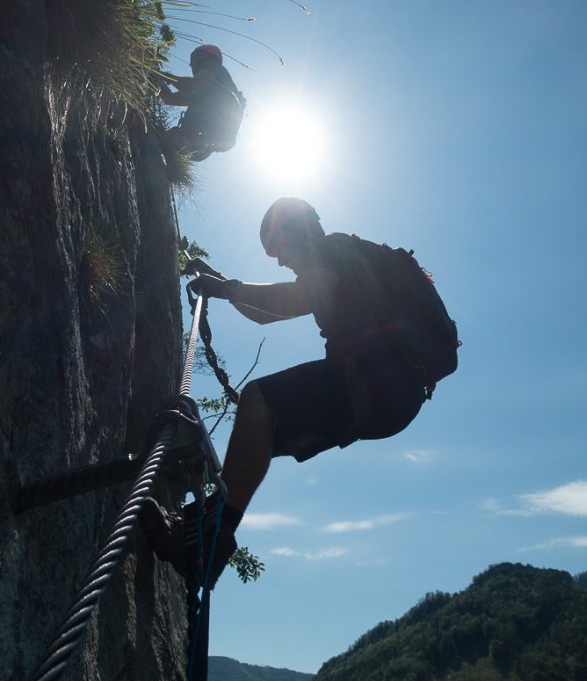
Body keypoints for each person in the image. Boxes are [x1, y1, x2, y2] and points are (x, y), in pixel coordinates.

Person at [142, 197, 451, 586]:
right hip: (389, 395)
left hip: (371, 380)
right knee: (253, 438)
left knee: (258, 401)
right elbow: (265, 313)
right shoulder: (342, 257)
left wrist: (228, 288)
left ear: (297, 229)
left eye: (276, 246)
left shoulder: (332, 248)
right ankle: (202, 527)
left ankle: (209, 541)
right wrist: (223, 286)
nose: (277, 259)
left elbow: (290, 301)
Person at [160, 44, 246, 162]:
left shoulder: (214, 66)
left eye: (194, 59)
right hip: (201, 144)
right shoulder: (210, 92)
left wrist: (167, 77)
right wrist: (158, 81)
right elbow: (170, 99)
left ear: (205, 57)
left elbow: (194, 85)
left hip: (200, 131)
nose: (192, 65)